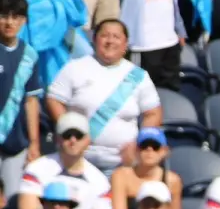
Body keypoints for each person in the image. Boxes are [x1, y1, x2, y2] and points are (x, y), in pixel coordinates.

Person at [45, 18, 163, 173]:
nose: (110, 41)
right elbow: (54, 99)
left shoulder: (138, 76)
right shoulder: (74, 68)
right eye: (105, 35)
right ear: (94, 40)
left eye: (116, 37)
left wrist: (137, 145)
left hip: (122, 164)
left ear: (125, 44)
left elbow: (153, 113)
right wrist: (69, 130)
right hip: (78, 159)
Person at [17, 113, 114, 209]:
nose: (73, 140)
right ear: (58, 138)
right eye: (67, 135)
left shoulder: (99, 181)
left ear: (88, 140)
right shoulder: (36, 169)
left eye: (78, 135)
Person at [0, 0, 41, 168]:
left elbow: (31, 101)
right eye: (3, 16)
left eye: (16, 17)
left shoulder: (29, 55)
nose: (10, 22)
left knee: (14, 195)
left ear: (24, 20)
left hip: (15, 142)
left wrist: (34, 142)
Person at [109, 127, 182, 209]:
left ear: (164, 151)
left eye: (155, 146)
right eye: (144, 146)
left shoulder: (172, 180)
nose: (149, 150)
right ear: (136, 150)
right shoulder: (121, 176)